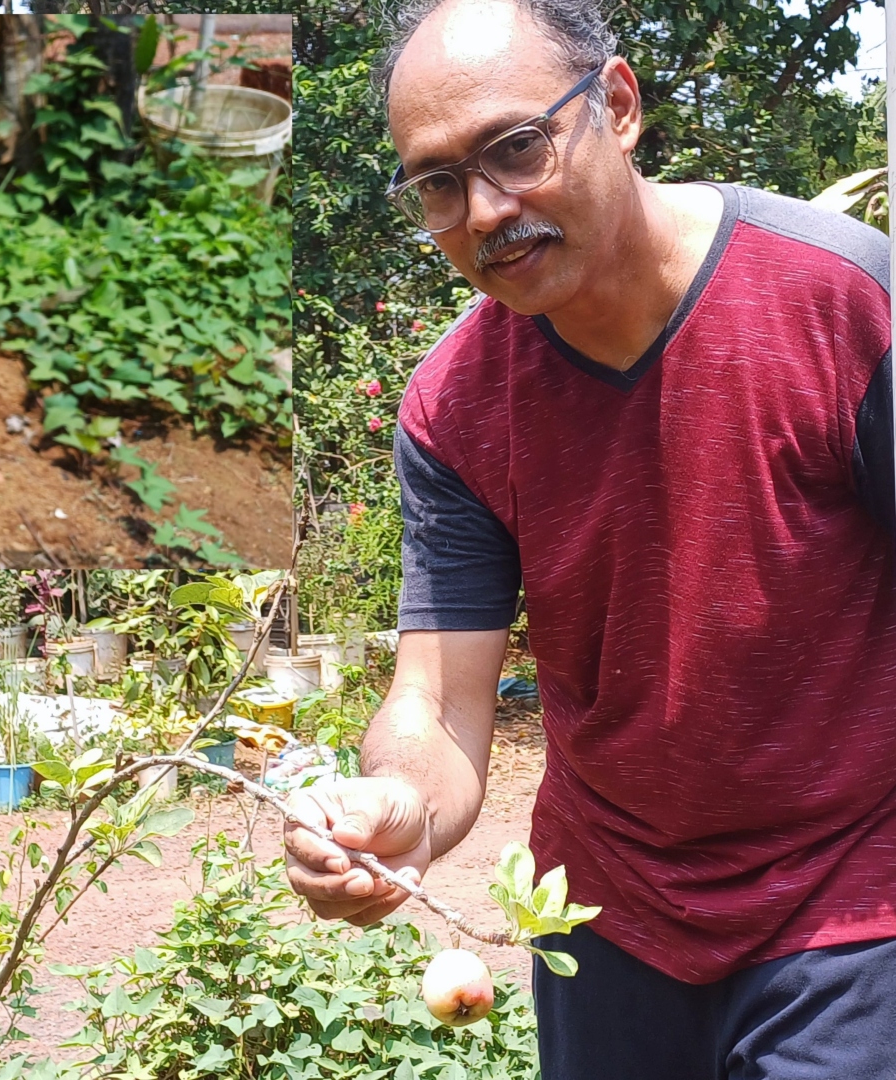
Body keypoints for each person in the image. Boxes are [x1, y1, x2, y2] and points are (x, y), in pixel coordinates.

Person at [282, 0, 896, 1075]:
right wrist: (398, 811)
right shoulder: (454, 406)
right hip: (604, 917)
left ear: (615, 106)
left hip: (851, 903)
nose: (484, 211)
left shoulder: (839, 301)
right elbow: (437, 696)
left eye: (514, 149)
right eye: (436, 183)